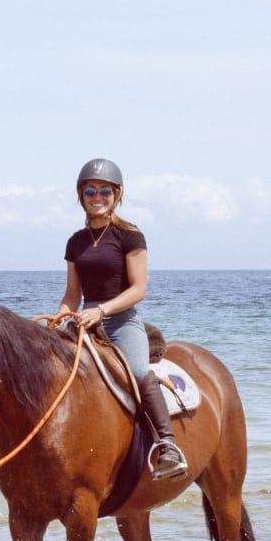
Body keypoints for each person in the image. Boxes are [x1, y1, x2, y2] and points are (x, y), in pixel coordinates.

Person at [56, 158, 187, 481]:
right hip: (84, 320)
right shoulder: (75, 242)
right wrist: (58, 318)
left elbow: (138, 289)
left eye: (105, 191)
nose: (97, 197)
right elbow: (72, 295)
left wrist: (101, 310)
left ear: (117, 195)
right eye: (90, 191)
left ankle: (167, 445)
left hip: (120, 321)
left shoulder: (129, 235)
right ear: (81, 195)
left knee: (138, 371)